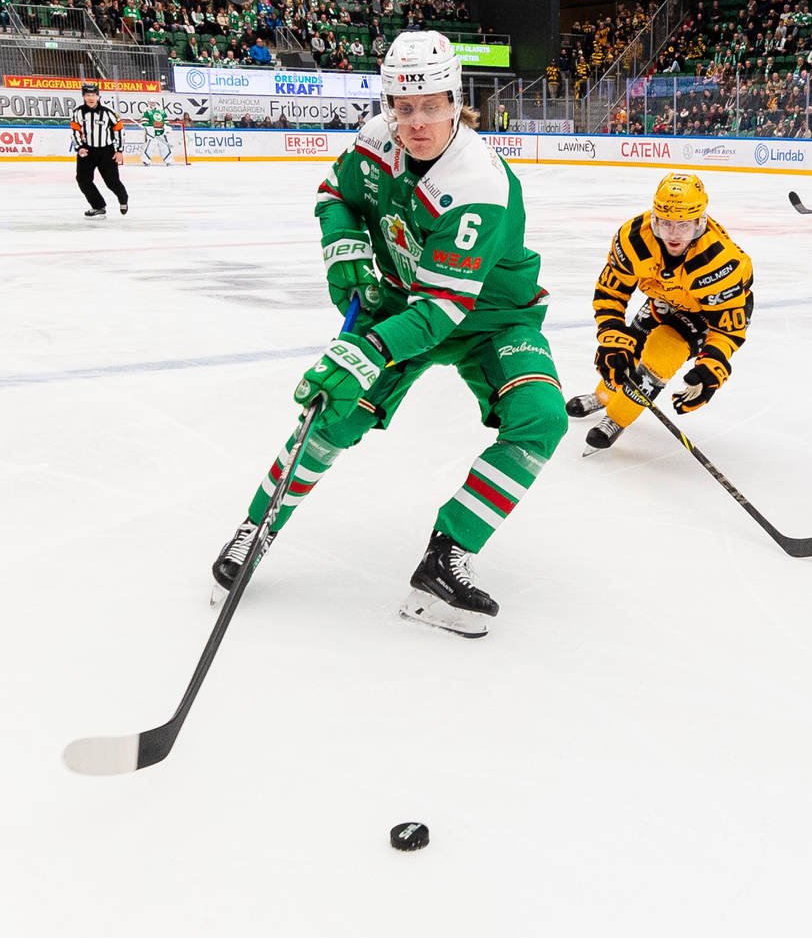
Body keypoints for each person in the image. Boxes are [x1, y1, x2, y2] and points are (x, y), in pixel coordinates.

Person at [208, 31, 567, 638]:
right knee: (334, 413)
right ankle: (258, 526)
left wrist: (363, 351)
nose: (417, 121)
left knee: (540, 416)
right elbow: (335, 195)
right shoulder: (375, 142)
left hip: (488, 315)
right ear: (388, 105)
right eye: (404, 107)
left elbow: (444, 311)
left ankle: (446, 556)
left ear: (456, 100)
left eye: (431, 105)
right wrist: (342, 248)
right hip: (406, 300)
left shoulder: (478, 186)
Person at [565, 172, 754, 456]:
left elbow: (726, 327)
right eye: (665, 223)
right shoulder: (633, 239)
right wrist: (612, 338)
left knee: (659, 355)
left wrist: (711, 366)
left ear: (700, 223)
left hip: (705, 312)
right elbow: (610, 292)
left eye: (683, 225)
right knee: (626, 348)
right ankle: (604, 395)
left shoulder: (719, 261)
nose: (673, 234)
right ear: (654, 218)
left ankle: (617, 417)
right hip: (666, 296)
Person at [70, 82, 129, 216]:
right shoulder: (77, 112)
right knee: (82, 179)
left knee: (112, 182)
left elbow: (119, 131)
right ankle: (98, 206)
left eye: (93, 95)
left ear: (98, 96)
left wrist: (119, 150)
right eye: (87, 95)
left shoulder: (108, 112)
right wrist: (79, 148)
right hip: (86, 151)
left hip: (106, 152)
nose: (90, 98)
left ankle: (123, 199)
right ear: (83, 97)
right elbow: (74, 131)